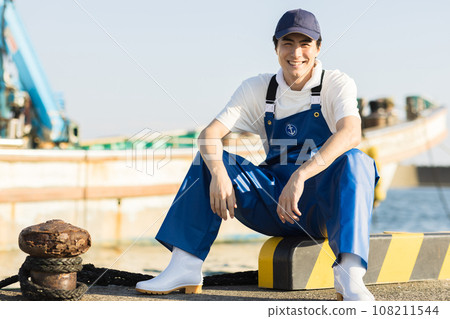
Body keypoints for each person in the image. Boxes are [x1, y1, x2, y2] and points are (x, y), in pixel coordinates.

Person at [136, 8, 379, 301]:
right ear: (276, 47)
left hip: (322, 209)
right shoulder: (257, 89)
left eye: (305, 43)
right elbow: (209, 135)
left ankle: (349, 275)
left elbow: (351, 133)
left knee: (357, 160)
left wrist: (301, 175)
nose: (296, 52)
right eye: (287, 43)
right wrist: (219, 175)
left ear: (318, 47)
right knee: (209, 160)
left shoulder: (335, 83)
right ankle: (185, 265)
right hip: (276, 205)